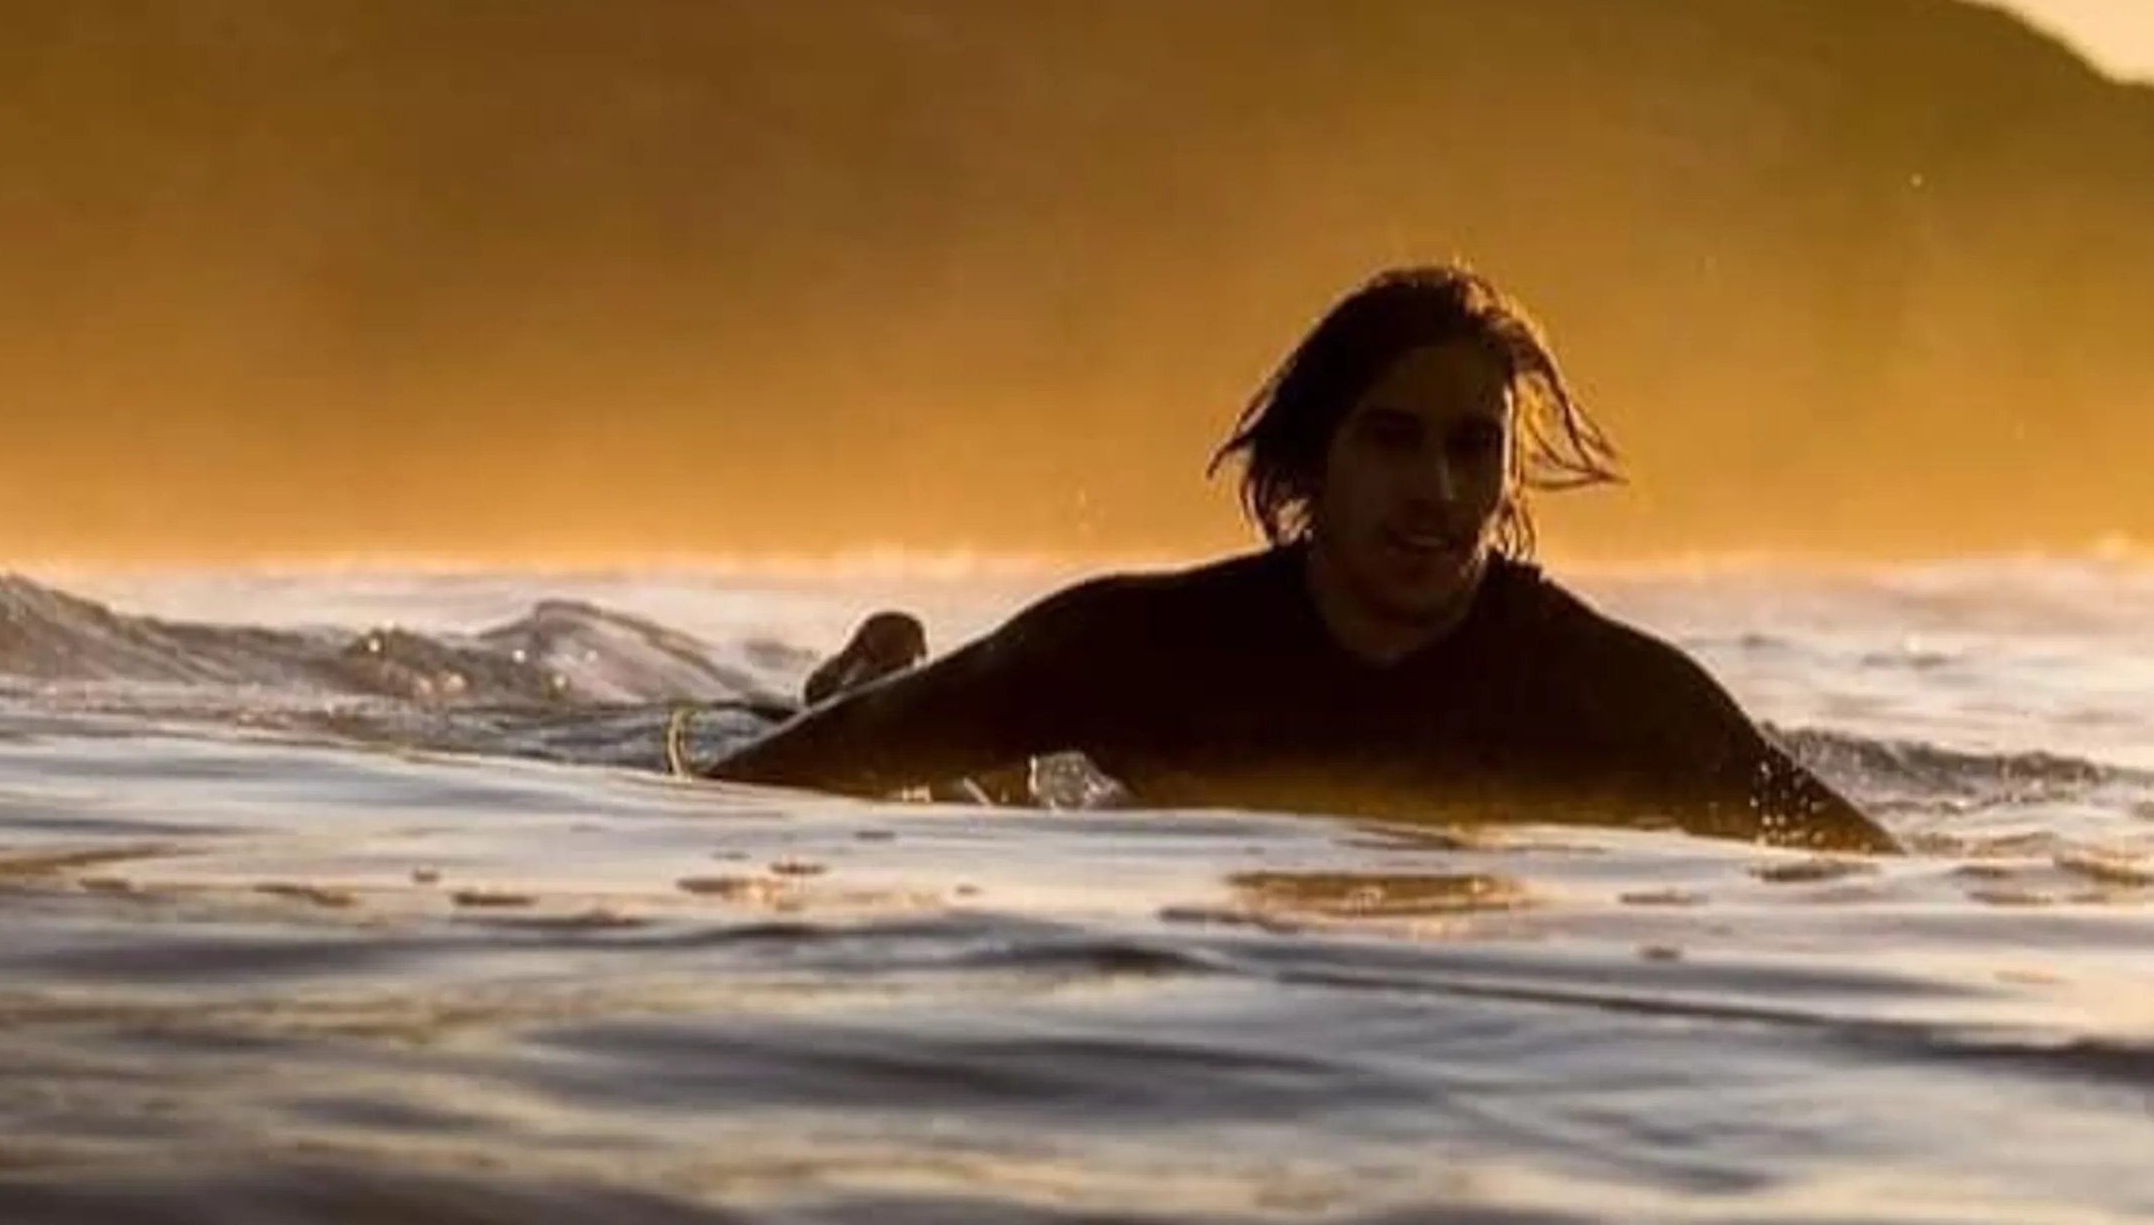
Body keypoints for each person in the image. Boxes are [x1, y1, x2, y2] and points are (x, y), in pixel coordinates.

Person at [709, 265, 1891, 850]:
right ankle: (884, 666)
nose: (1436, 490)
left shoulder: (1607, 695)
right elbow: (754, 788)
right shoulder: (1137, 647)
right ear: (1309, 463)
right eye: (1392, 440)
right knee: (944, 796)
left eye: (1472, 449)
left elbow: (1861, 873)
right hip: (1101, 800)